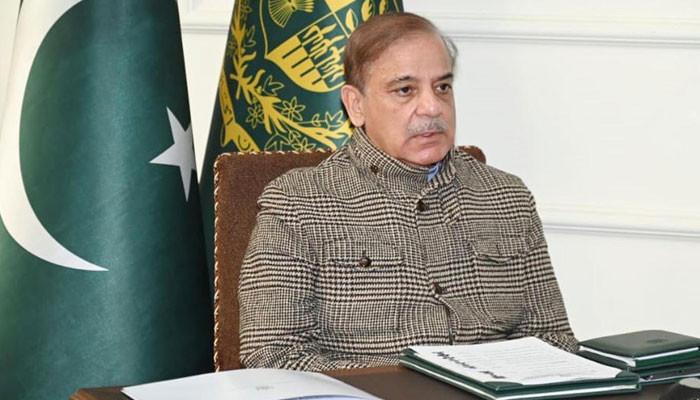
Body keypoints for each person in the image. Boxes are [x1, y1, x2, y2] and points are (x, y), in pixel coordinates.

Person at [238, 12, 577, 371]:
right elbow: (273, 355)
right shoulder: (298, 203)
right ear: (355, 105)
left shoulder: (506, 196)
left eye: (442, 87)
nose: (432, 107)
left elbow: (554, 340)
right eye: (405, 90)